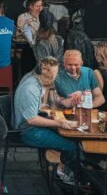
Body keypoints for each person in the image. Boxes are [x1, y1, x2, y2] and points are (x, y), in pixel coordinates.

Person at [14, 56, 79, 184]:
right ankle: (65, 175)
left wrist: (52, 117)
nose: (56, 77)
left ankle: (65, 169)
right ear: (45, 72)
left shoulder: (33, 79)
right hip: (28, 131)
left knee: (70, 137)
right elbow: (32, 120)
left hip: (30, 127)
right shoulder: (31, 88)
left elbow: (36, 109)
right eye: (54, 74)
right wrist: (60, 123)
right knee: (71, 145)